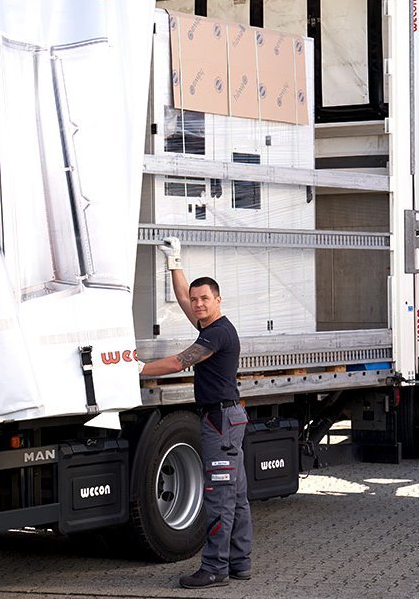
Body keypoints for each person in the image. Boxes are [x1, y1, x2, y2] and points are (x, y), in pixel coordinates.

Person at [137, 237, 253, 589]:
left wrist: (135, 369)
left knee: (219, 497)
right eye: (196, 299)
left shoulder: (218, 333)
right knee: (237, 496)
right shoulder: (208, 323)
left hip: (220, 423)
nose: (198, 304)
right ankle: (240, 563)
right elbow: (185, 296)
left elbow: (177, 362)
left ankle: (215, 568)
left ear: (219, 301)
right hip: (228, 419)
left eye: (206, 299)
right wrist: (175, 262)